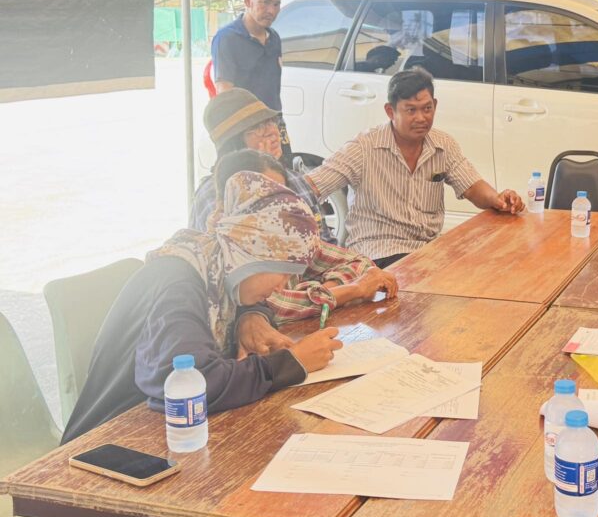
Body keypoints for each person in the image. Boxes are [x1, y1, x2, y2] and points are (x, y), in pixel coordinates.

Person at [44, 172, 343, 517]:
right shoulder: (177, 280)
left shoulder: (216, 264)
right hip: (100, 487)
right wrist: (290, 363)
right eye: (281, 272)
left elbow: (231, 307)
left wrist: (252, 316)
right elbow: (189, 382)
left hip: (171, 452)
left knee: (289, 513)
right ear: (252, 253)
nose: (283, 285)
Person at [305, 67, 524, 268]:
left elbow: (472, 186)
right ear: (390, 111)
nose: (421, 118)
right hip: (376, 255)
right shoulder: (363, 148)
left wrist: (498, 199)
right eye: (410, 110)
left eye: (427, 109)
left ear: (435, 105)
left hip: (428, 252)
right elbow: (308, 188)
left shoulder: (443, 145)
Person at [209, 150, 398, 333]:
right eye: (267, 198)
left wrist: (325, 290)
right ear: (230, 202)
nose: (282, 207)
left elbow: (358, 262)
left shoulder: (287, 236)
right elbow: (275, 305)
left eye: (284, 195)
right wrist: (354, 289)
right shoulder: (222, 253)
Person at [191, 88, 335, 245]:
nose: (272, 132)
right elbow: (241, 250)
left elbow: (326, 242)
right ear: (233, 144)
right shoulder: (215, 194)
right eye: (257, 127)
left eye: (271, 121)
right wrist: (262, 180)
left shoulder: (295, 179)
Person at [211, 0, 292, 159]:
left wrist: (273, 125)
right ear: (248, 0)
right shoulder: (227, 38)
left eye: (276, 4)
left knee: (283, 170)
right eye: (265, 2)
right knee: (254, 174)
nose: (271, 11)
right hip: (247, 130)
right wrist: (246, 135)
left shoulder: (274, 38)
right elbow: (225, 93)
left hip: (274, 122)